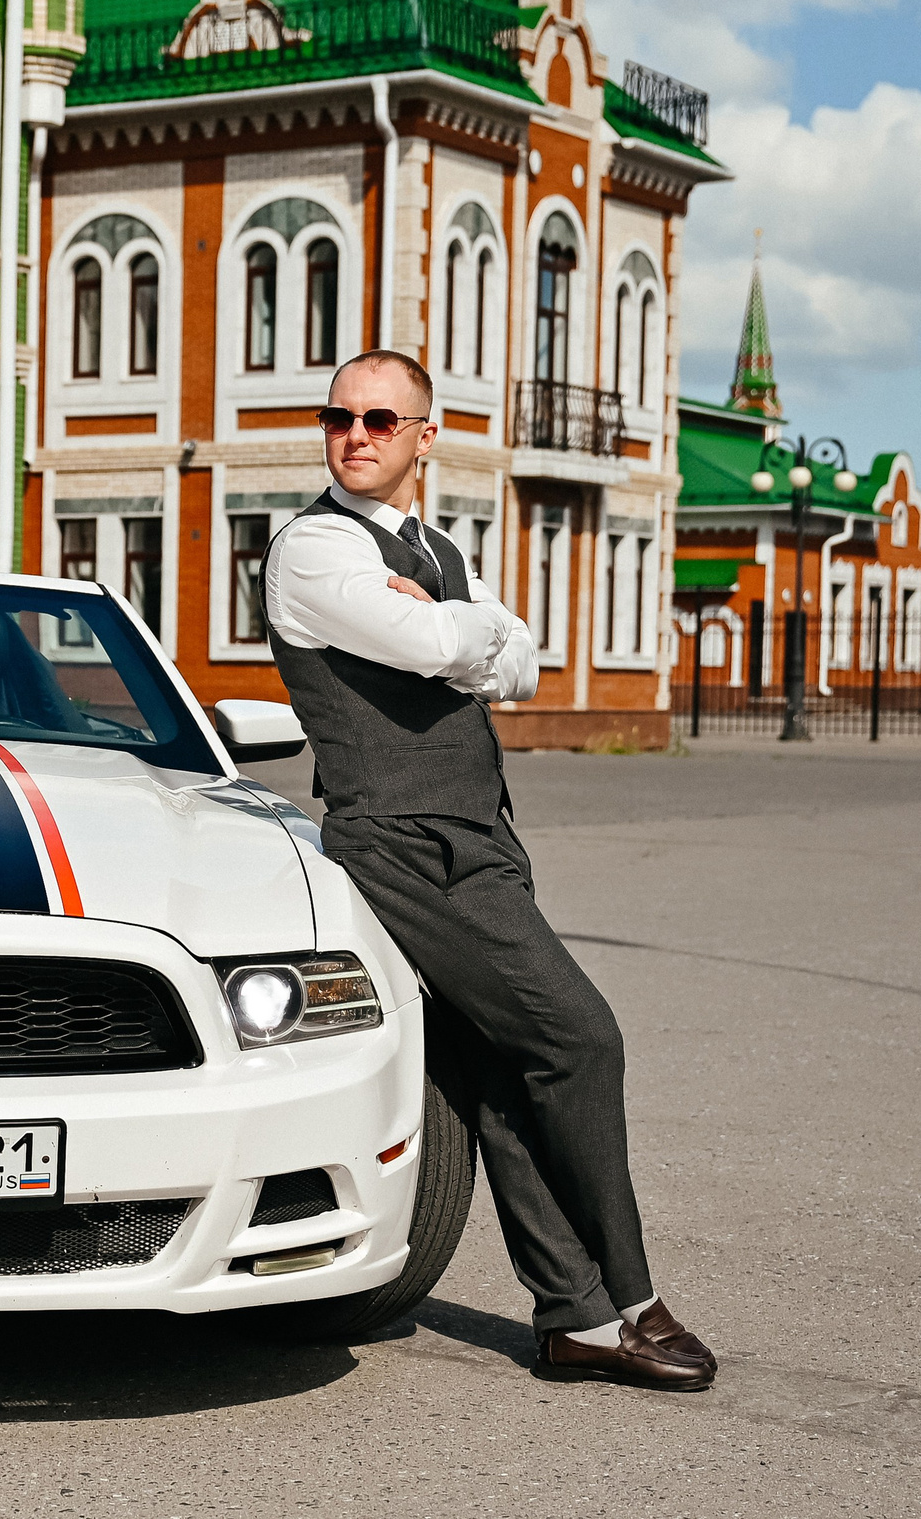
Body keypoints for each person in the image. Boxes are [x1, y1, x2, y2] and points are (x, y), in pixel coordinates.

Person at [258, 348, 716, 1389]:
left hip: (478, 834)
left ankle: (576, 1317)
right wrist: (470, 632)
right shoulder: (313, 550)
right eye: (339, 416)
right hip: (407, 840)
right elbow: (436, 647)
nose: (356, 434)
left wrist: (471, 632)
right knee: (579, 1037)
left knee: (505, 1069)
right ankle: (633, 1300)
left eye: (381, 419)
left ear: (426, 437)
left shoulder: (434, 546)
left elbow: (519, 659)